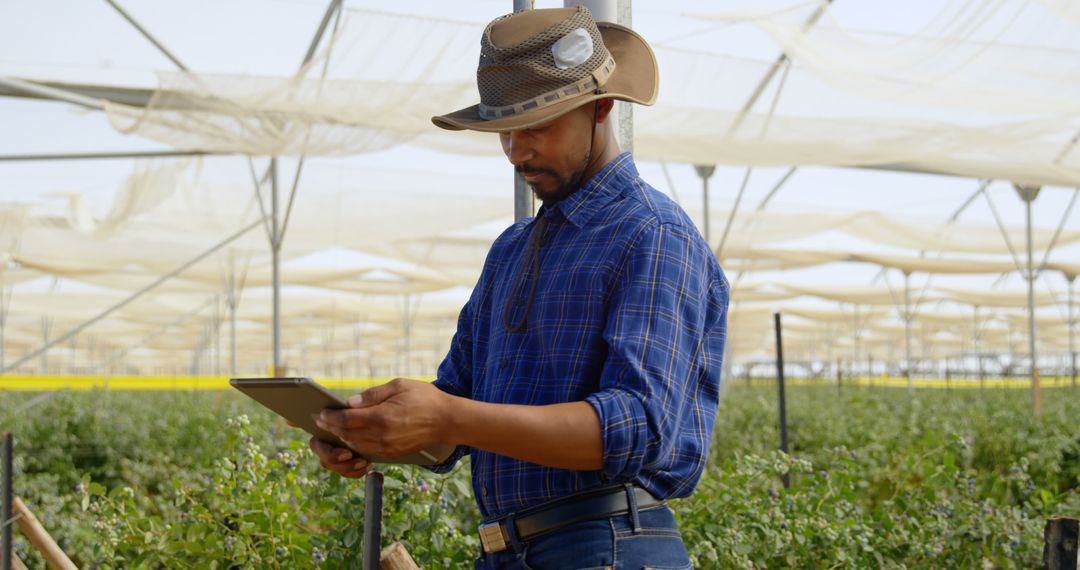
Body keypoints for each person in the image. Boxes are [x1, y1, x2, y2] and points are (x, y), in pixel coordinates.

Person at [309, 7, 728, 569]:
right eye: (504, 129)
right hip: (510, 550)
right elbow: (455, 408)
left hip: (607, 544)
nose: (516, 151)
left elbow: (634, 426)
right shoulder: (511, 249)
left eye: (537, 126)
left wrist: (449, 416)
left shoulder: (651, 234)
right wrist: (372, 431)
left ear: (601, 107)